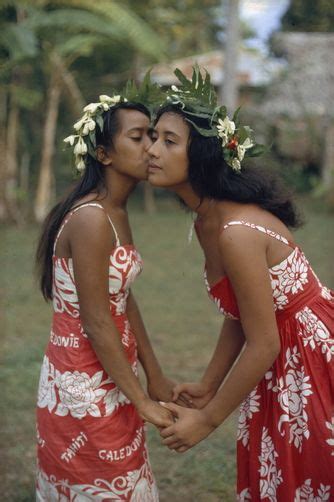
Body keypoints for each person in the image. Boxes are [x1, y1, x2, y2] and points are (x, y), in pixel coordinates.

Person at [148, 67, 334, 500]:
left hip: (309, 358)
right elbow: (244, 313)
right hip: (279, 358)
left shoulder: (236, 230)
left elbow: (264, 340)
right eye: (152, 137)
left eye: (168, 141)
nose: (152, 150)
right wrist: (211, 382)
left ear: (203, 156)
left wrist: (207, 419)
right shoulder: (206, 220)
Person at [35, 82, 177, 500]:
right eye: (138, 137)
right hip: (81, 384)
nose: (151, 147)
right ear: (103, 154)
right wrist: (143, 402)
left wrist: (154, 376)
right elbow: (96, 322)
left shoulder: (115, 212)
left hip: (115, 371)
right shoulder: (92, 219)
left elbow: (123, 299)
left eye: (152, 136)